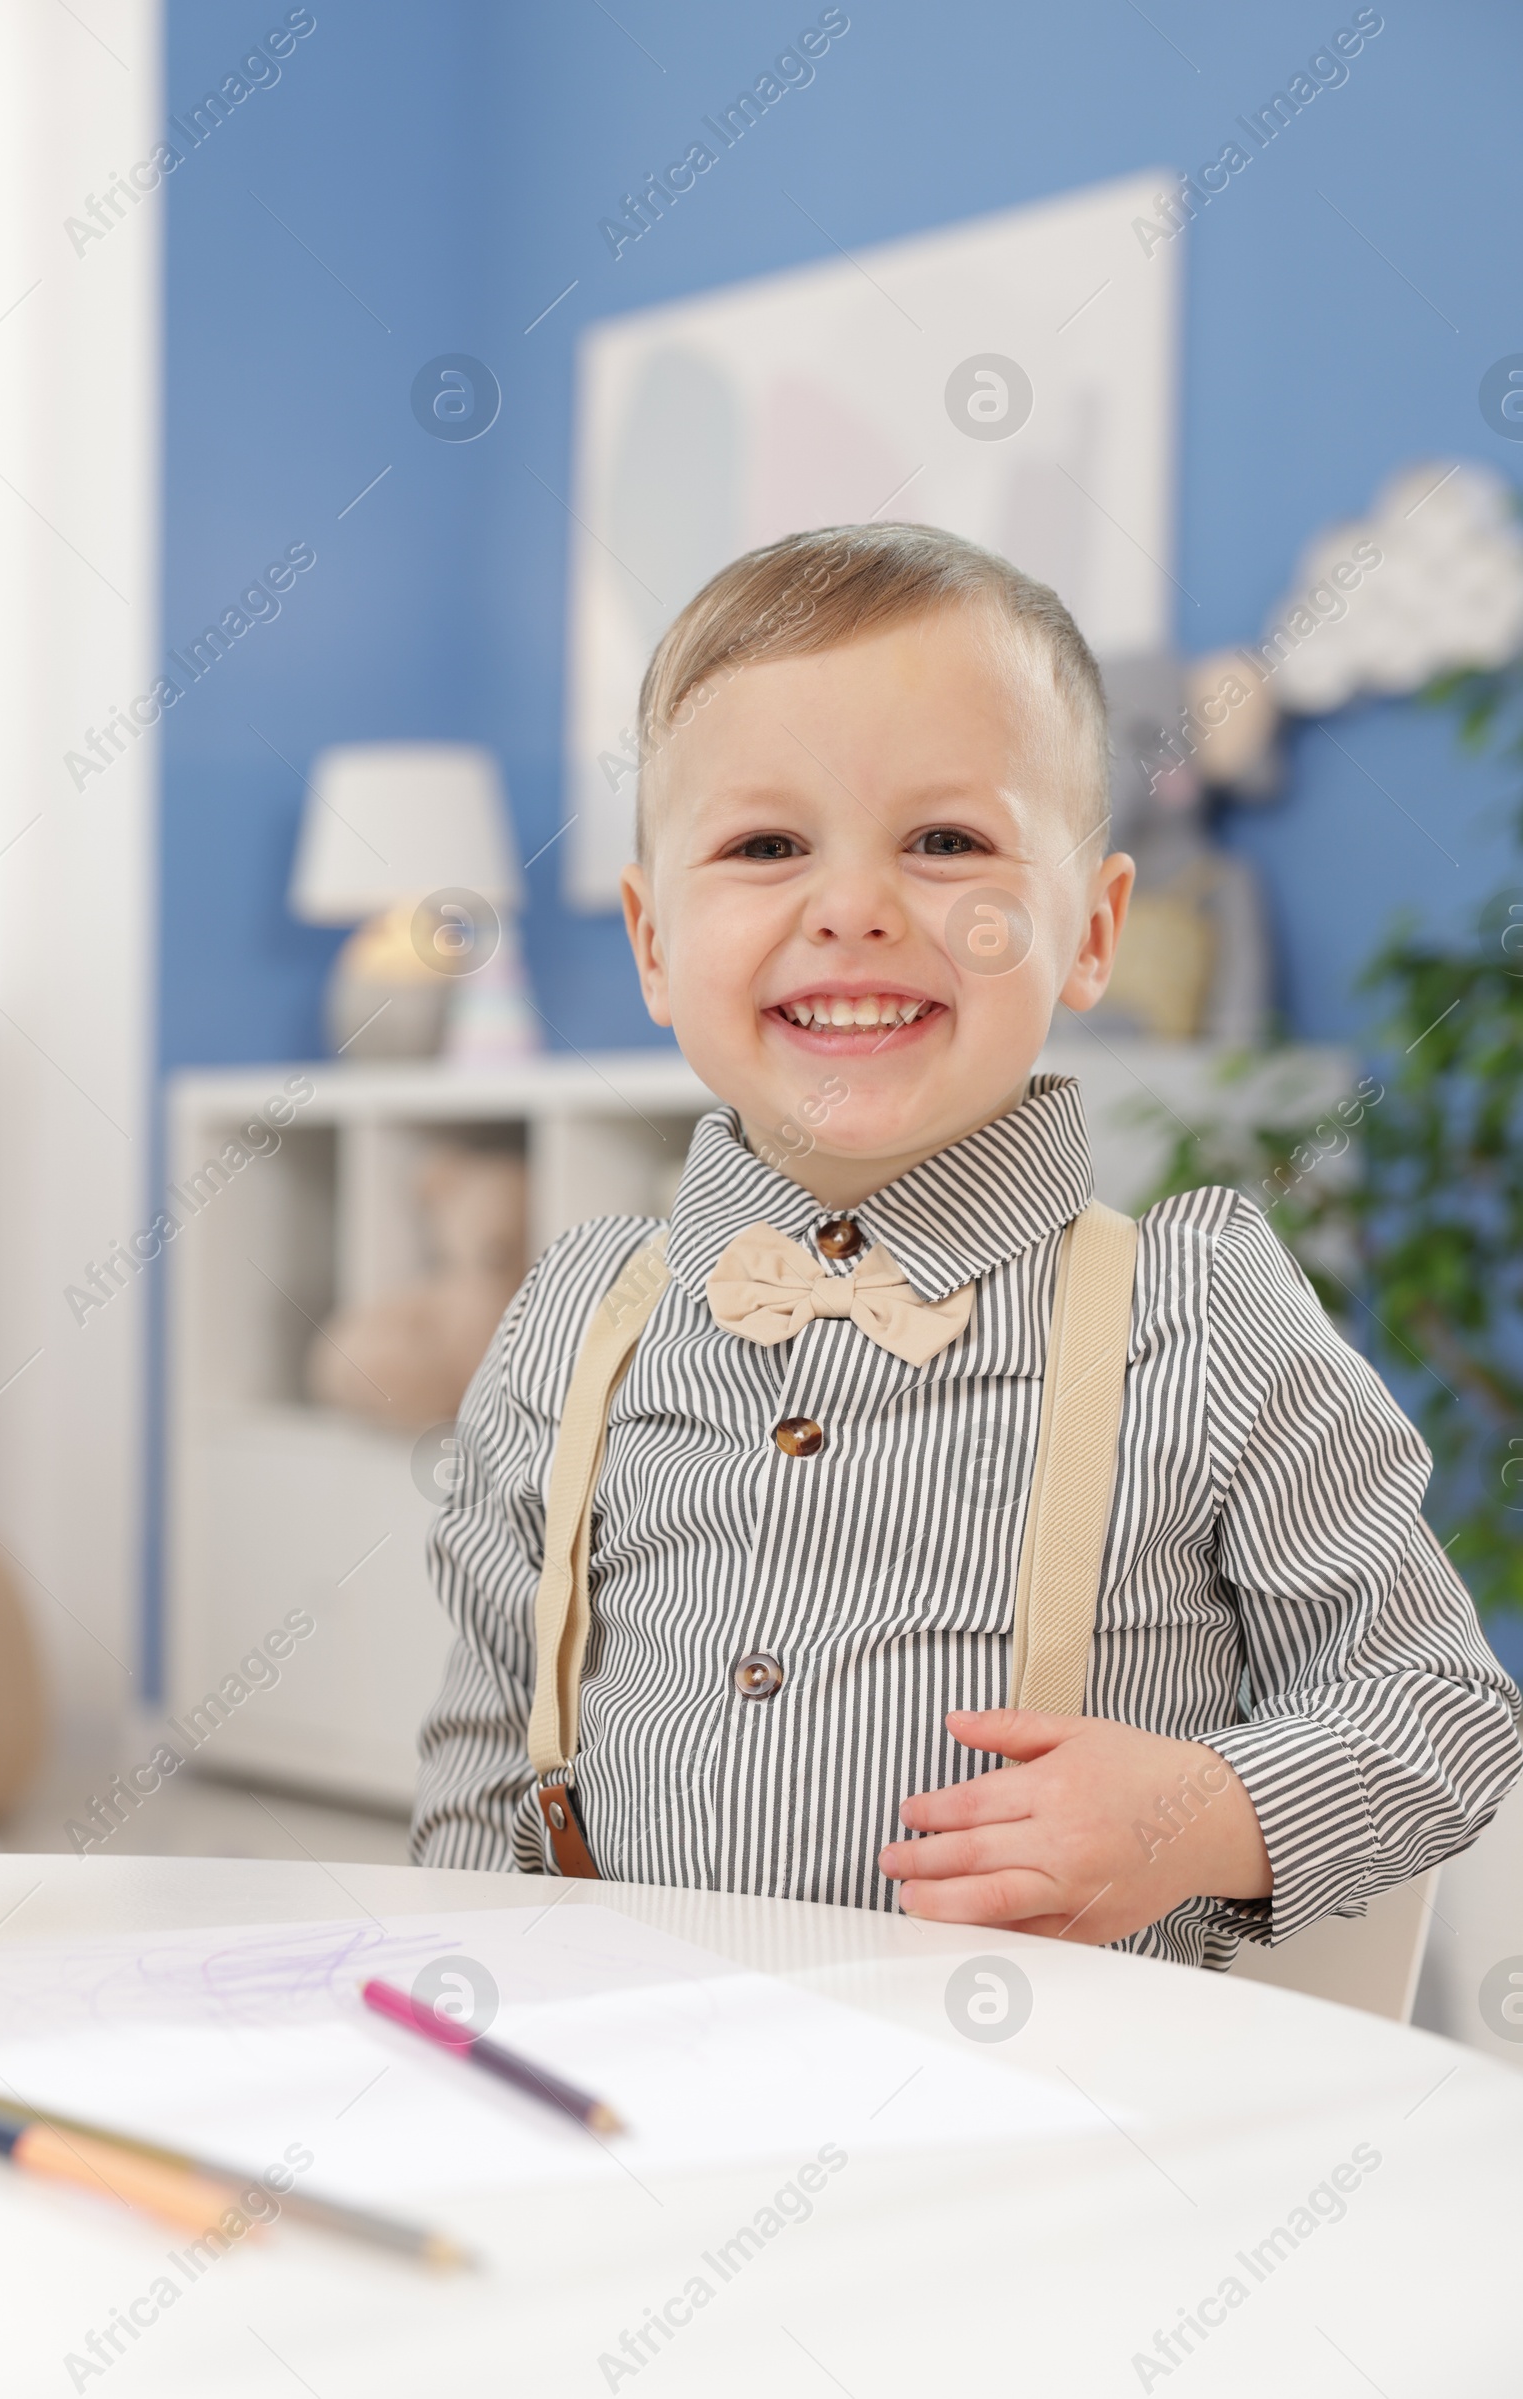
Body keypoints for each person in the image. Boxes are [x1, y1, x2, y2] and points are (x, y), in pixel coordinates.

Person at [410, 523, 1521, 1969]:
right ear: (654, 945)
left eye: (946, 842)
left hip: (1046, 2126)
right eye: (763, 846)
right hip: (633, 2086)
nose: (856, 905)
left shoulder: (1197, 1314)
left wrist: (1201, 1811)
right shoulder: (578, 1317)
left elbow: (1438, 1708)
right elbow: (486, 1749)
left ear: (1092, 931)